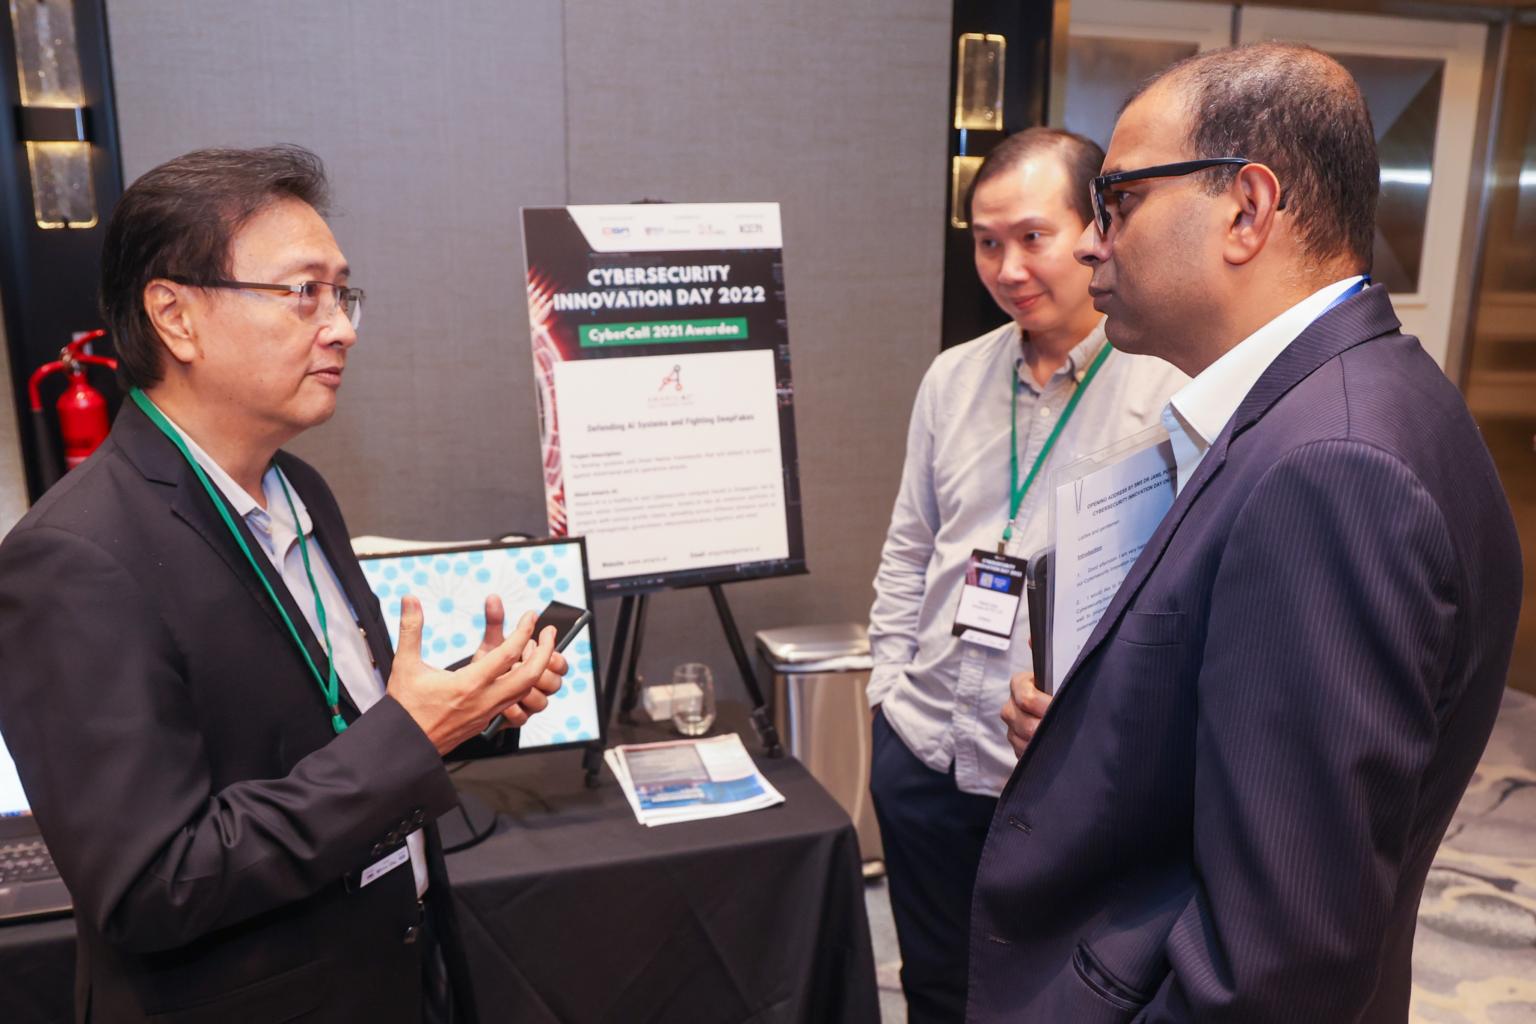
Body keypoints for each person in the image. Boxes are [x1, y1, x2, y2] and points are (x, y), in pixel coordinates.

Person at [971, 44, 1523, 1022]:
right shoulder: (1350, 397)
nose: (1093, 243)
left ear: (1247, 209)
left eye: (1119, 201)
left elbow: (1283, 958)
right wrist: (1091, 729)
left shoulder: (1334, 465)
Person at [0, 145, 567, 1024]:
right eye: (304, 292)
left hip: (395, 970)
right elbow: (152, 885)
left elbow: (327, 738)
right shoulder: (74, 558)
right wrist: (409, 736)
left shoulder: (299, 487)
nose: (341, 327)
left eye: (343, 294)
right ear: (176, 317)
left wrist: (464, 708)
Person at [866, 127, 1186, 1022]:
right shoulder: (952, 378)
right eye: (985, 242)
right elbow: (909, 548)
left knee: (1050, 996)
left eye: (1033, 237)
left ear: (1097, 230)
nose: (1007, 268)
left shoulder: (1165, 392)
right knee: (935, 986)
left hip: (1058, 769)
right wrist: (887, 696)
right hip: (926, 742)